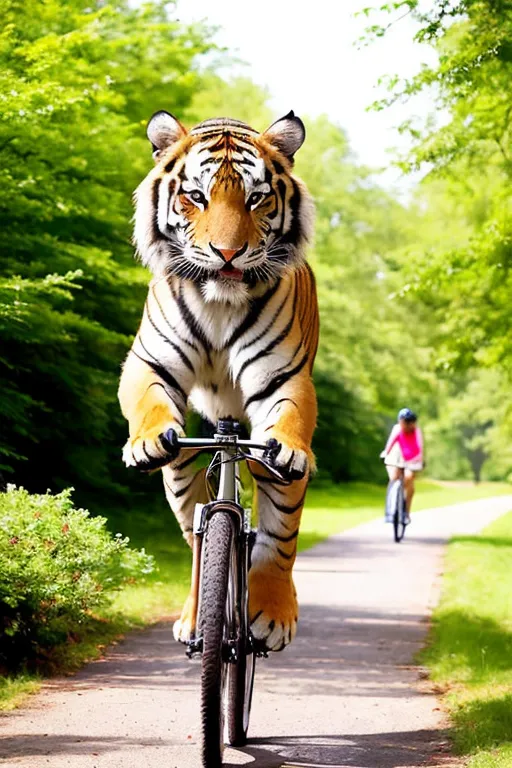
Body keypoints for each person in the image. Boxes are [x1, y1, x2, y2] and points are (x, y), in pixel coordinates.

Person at [380, 408, 424, 524]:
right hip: (397, 458)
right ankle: (390, 510)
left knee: (409, 479)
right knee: (394, 478)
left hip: (413, 459)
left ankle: (406, 512)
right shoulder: (397, 429)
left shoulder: (416, 431)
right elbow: (391, 443)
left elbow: (419, 447)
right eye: (405, 422)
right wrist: (385, 453)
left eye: (410, 422)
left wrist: (418, 460)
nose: (407, 425)